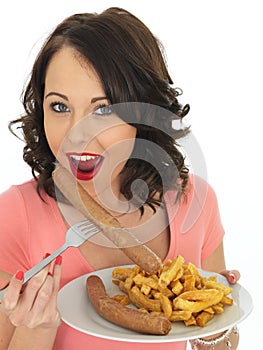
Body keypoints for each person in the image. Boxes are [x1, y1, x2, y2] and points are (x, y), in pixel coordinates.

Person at [0, 7, 240, 350]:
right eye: (59, 106)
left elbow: (219, 345)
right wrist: (38, 327)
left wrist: (217, 321)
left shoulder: (193, 203)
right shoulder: (13, 214)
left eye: (103, 109)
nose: (76, 136)